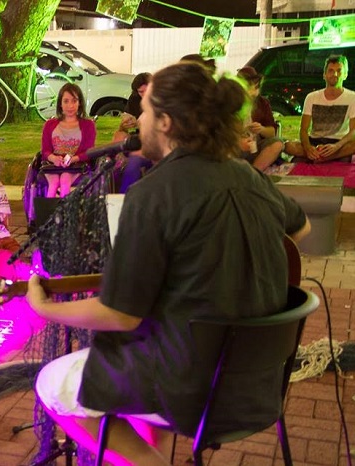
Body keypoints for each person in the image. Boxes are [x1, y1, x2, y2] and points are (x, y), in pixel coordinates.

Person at [27, 61, 311, 465]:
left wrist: (44, 308)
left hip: (191, 386)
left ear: (164, 122)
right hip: (257, 385)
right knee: (155, 339)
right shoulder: (250, 177)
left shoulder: (152, 194)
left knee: (53, 384)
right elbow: (297, 233)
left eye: (144, 110)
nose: (138, 119)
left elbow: (120, 315)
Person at [284, 54, 355, 163]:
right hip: (315, 141)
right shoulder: (312, 97)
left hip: (338, 143)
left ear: (345, 75)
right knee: (288, 146)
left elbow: (353, 131)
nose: (335, 74)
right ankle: (318, 156)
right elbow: (303, 130)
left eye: (339, 71)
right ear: (324, 75)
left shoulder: (352, 97)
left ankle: (322, 158)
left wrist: (336, 146)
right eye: (331, 71)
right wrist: (308, 148)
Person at [40, 83, 96, 197]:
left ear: (79, 103)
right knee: (53, 183)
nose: (70, 106)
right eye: (66, 101)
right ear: (60, 103)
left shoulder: (88, 125)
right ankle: (49, 213)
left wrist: (73, 159)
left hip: (76, 164)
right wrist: (54, 158)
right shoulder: (50, 125)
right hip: (53, 164)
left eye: (74, 101)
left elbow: (88, 152)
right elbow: (45, 151)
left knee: (65, 180)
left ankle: (64, 213)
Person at [237, 66, 284, 171]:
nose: (254, 91)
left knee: (277, 143)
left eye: (256, 87)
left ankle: (254, 172)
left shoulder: (262, 103)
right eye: (250, 86)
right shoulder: (233, 102)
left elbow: (272, 131)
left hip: (256, 144)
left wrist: (261, 129)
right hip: (237, 145)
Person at [112, 72, 153, 193]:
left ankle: (125, 195)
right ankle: (117, 166)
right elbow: (125, 125)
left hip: (152, 144)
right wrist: (124, 126)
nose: (144, 95)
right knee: (118, 135)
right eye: (141, 92)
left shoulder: (160, 102)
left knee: (134, 161)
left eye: (147, 91)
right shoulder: (135, 100)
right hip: (137, 138)